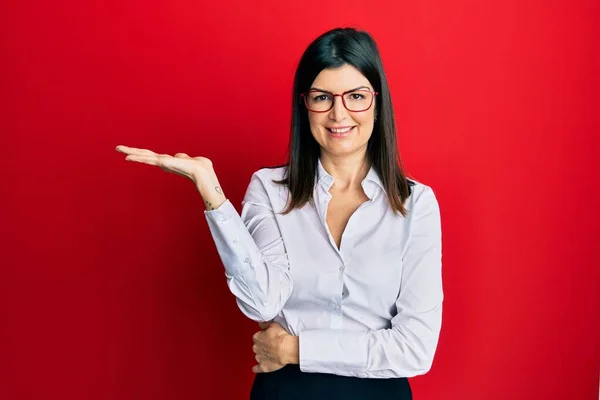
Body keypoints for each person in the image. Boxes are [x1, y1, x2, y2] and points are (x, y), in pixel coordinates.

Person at [115, 27, 443, 400]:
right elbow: (262, 302)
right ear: (305, 105)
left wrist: (293, 350)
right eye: (322, 97)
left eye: (356, 96)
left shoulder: (416, 203)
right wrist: (213, 195)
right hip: (288, 391)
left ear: (378, 103)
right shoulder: (269, 190)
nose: (339, 114)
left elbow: (415, 348)